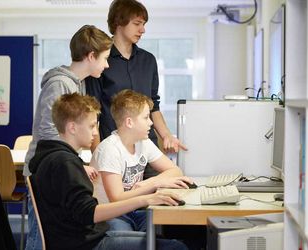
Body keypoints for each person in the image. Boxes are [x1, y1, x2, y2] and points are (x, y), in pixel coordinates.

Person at [29, 93, 188, 250]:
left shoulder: (57, 158)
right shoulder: (66, 163)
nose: (96, 132)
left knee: (159, 237)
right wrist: (146, 199)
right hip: (86, 243)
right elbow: (89, 213)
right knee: (175, 247)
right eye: (91, 126)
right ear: (72, 128)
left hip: (85, 237)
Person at [24, 25, 113, 250]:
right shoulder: (60, 84)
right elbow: (48, 131)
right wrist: (76, 165)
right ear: (91, 56)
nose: (107, 65)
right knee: (40, 239)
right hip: (46, 172)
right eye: (104, 58)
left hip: (58, 168)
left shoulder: (76, 84)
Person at [86, 0, 187, 179]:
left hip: (147, 148)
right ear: (119, 22)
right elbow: (92, 114)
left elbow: (153, 105)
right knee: (121, 204)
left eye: (144, 24)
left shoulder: (148, 61)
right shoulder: (101, 60)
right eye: (137, 24)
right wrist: (98, 156)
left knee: (161, 196)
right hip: (115, 151)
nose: (143, 30)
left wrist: (167, 136)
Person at [91, 89, 194, 232]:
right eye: (146, 117)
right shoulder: (109, 149)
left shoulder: (142, 142)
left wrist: (149, 183)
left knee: (170, 230)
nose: (151, 123)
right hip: (112, 216)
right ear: (129, 122)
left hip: (134, 210)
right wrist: (154, 185)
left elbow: (175, 171)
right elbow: (117, 198)